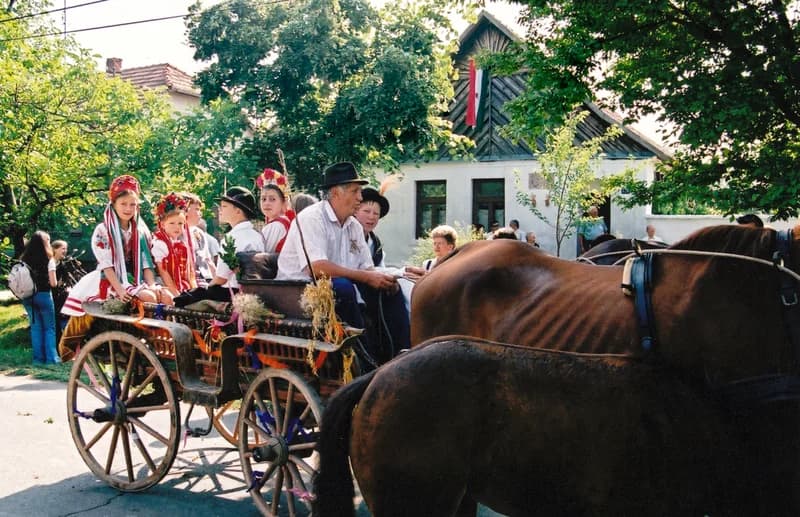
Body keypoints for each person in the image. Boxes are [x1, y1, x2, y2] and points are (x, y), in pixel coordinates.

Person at [277, 162, 408, 365]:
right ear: (336, 192)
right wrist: (365, 277)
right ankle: (363, 358)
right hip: (297, 292)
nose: (360, 198)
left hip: (334, 287)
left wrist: (383, 279)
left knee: (389, 287)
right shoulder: (311, 219)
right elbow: (317, 268)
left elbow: (367, 268)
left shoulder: (353, 226)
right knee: (343, 288)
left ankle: (400, 354)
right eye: (355, 191)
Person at [62, 175, 158, 317]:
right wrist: (120, 289)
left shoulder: (140, 232)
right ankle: (152, 333)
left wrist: (152, 285)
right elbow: (106, 265)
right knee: (150, 298)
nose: (128, 208)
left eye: (133, 204)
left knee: (163, 295)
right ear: (113, 204)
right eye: (123, 204)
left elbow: (146, 263)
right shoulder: (103, 230)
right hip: (112, 279)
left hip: (136, 278)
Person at [353, 185, 410, 361]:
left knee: (398, 291)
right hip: (354, 285)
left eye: (376, 214)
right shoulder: (347, 234)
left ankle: (402, 345)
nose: (371, 217)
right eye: (366, 211)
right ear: (355, 212)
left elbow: (380, 267)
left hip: (373, 286)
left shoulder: (375, 243)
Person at [207, 186, 265, 295]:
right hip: (256, 292)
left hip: (234, 292)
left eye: (224, 206)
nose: (220, 210)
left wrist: (206, 289)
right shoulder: (257, 236)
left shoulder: (231, 238)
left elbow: (221, 278)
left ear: (238, 211)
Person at [19, 231, 59, 364]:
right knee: (49, 328)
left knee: (35, 327)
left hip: (27, 296)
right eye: (48, 241)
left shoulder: (24, 259)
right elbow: (53, 283)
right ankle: (51, 359)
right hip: (43, 295)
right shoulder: (49, 259)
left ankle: (38, 359)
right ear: (44, 243)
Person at [151, 193, 196, 305]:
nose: (177, 227)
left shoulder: (181, 244)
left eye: (180, 223)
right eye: (172, 223)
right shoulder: (160, 243)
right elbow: (163, 271)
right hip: (165, 283)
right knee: (171, 300)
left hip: (181, 283)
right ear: (162, 224)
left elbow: (188, 272)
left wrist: (194, 290)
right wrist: (176, 295)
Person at [256, 168, 294, 253]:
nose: (267, 203)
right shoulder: (281, 223)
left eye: (272, 199)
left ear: (283, 202)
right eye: (263, 199)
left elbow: (264, 255)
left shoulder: (276, 226)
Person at [183, 192, 215, 286]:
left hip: (206, 279)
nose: (200, 214)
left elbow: (208, 261)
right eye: (197, 209)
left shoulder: (198, 233)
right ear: (185, 210)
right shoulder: (176, 234)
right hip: (189, 281)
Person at [50, 239, 70, 341]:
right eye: (63, 248)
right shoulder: (49, 263)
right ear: (54, 249)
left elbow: (65, 280)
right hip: (50, 296)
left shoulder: (61, 264)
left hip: (59, 296)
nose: (65, 251)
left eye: (66, 248)